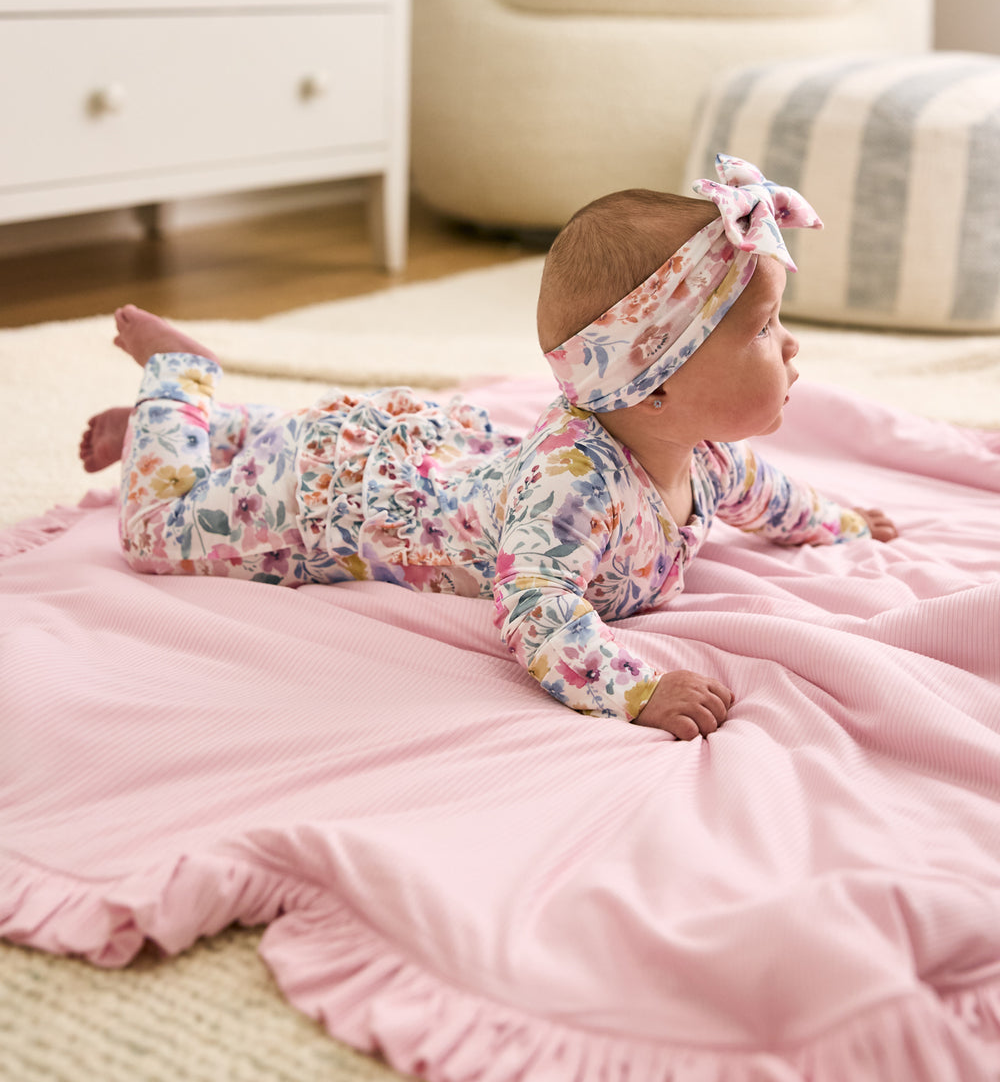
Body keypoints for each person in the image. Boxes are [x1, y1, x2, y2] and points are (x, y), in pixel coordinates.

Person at [80, 155, 897, 740]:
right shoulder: (573, 492)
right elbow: (536, 610)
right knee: (156, 532)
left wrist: (840, 523)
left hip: (429, 456)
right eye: (764, 329)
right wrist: (636, 691)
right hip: (331, 507)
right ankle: (178, 383)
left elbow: (768, 497)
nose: (791, 346)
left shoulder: (704, 450)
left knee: (305, 436)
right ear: (656, 383)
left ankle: (201, 428)